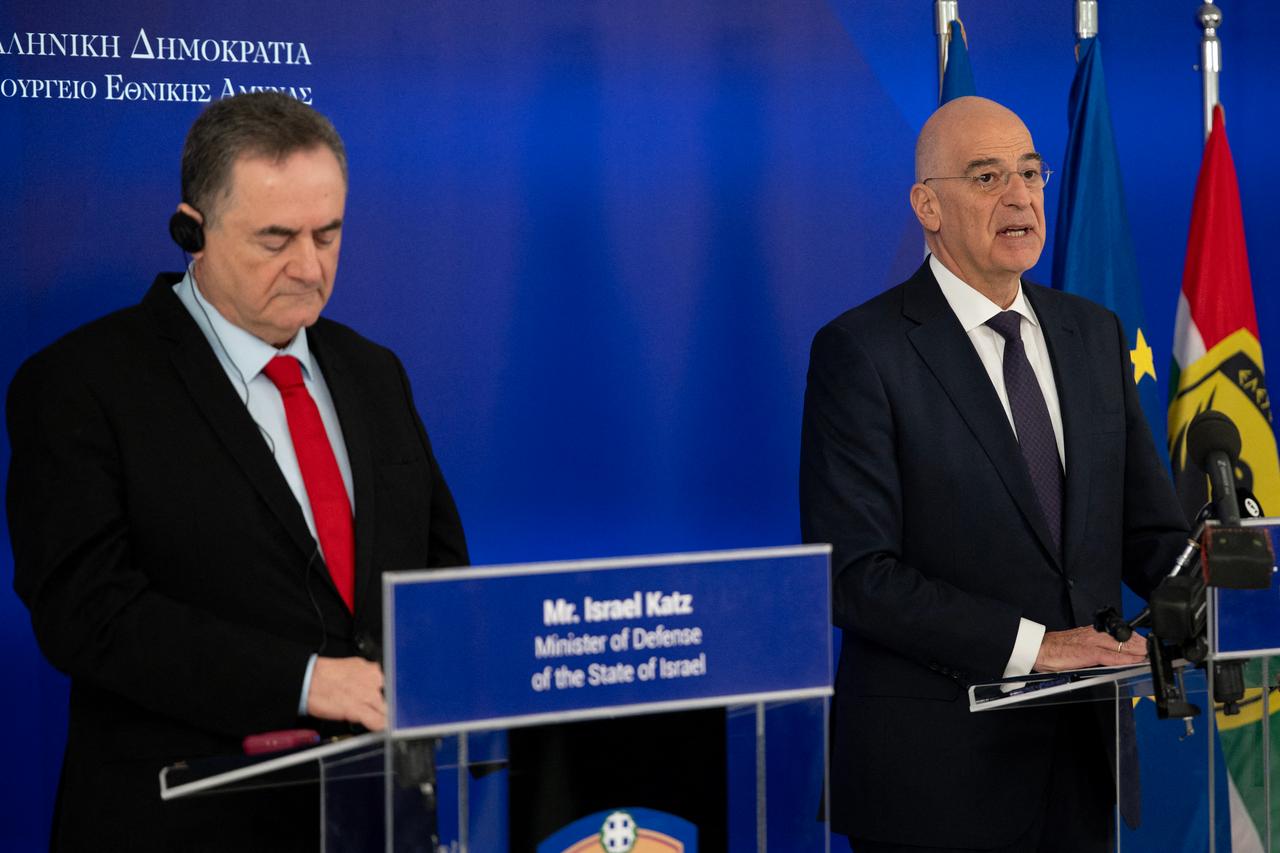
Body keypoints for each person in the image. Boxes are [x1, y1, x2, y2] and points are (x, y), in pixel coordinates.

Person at [6, 92, 468, 851]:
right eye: (276, 239)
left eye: (329, 233)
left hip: (378, 818)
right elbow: (87, 613)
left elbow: (438, 566)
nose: (310, 267)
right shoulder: (81, 384)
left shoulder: (373, 371)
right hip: (184, 825)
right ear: (192, 229)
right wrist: (304, 678)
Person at [800, 96, 1188, 852]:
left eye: (1031, 172)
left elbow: (1149, 532)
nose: (1019, 196)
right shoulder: (864, 352)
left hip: (1083, 765)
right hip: (936, 777)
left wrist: (1218, 595)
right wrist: (1035, 645)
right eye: (986, 177)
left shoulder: (1091, 333)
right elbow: (855, 574)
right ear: (928, 205)